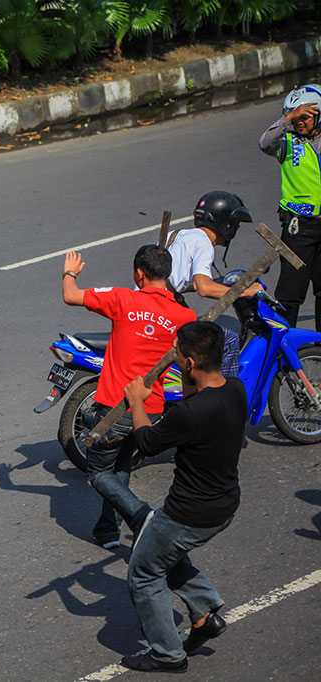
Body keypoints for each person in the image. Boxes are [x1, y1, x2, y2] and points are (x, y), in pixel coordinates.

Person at [119, 321, 245, 674]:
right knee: (165, 557)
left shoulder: (189, 414)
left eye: (177, 354)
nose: (173, 357)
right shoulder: (235, 388)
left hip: (188, 513)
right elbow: (197, 397)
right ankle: (204, 614)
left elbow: (145, 442)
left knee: (144, 571)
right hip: (225, 504)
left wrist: (136, 402)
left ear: (189, 363)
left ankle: (167, 654)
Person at [61, 245, 196, 549]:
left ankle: (142, 516)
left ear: (138, 273)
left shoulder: (123, 298)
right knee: (121, 467)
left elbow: (71, 295)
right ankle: (107, 531)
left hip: (113, 408)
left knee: (97, 472)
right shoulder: (185, 315)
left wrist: (70, 272)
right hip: (149, 413)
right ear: (170, 274)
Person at [166, 190, 260, 377]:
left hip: (149, 307)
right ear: (226, 223)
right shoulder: (203, 243)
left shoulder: (175, 235)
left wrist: (220, 284)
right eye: (236, 224)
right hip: (167, 315)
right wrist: (245, 292)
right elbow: (204, 288)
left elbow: (175, 280)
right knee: (228, 341)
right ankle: (222, 397)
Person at [259, 84, 321, 328]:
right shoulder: (286, 142)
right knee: (290, 295)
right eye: (295, 117)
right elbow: (264, 143)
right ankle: (282, 358)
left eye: (304, 116)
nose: (300, 122)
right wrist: (288, 118)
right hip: (299, 229)